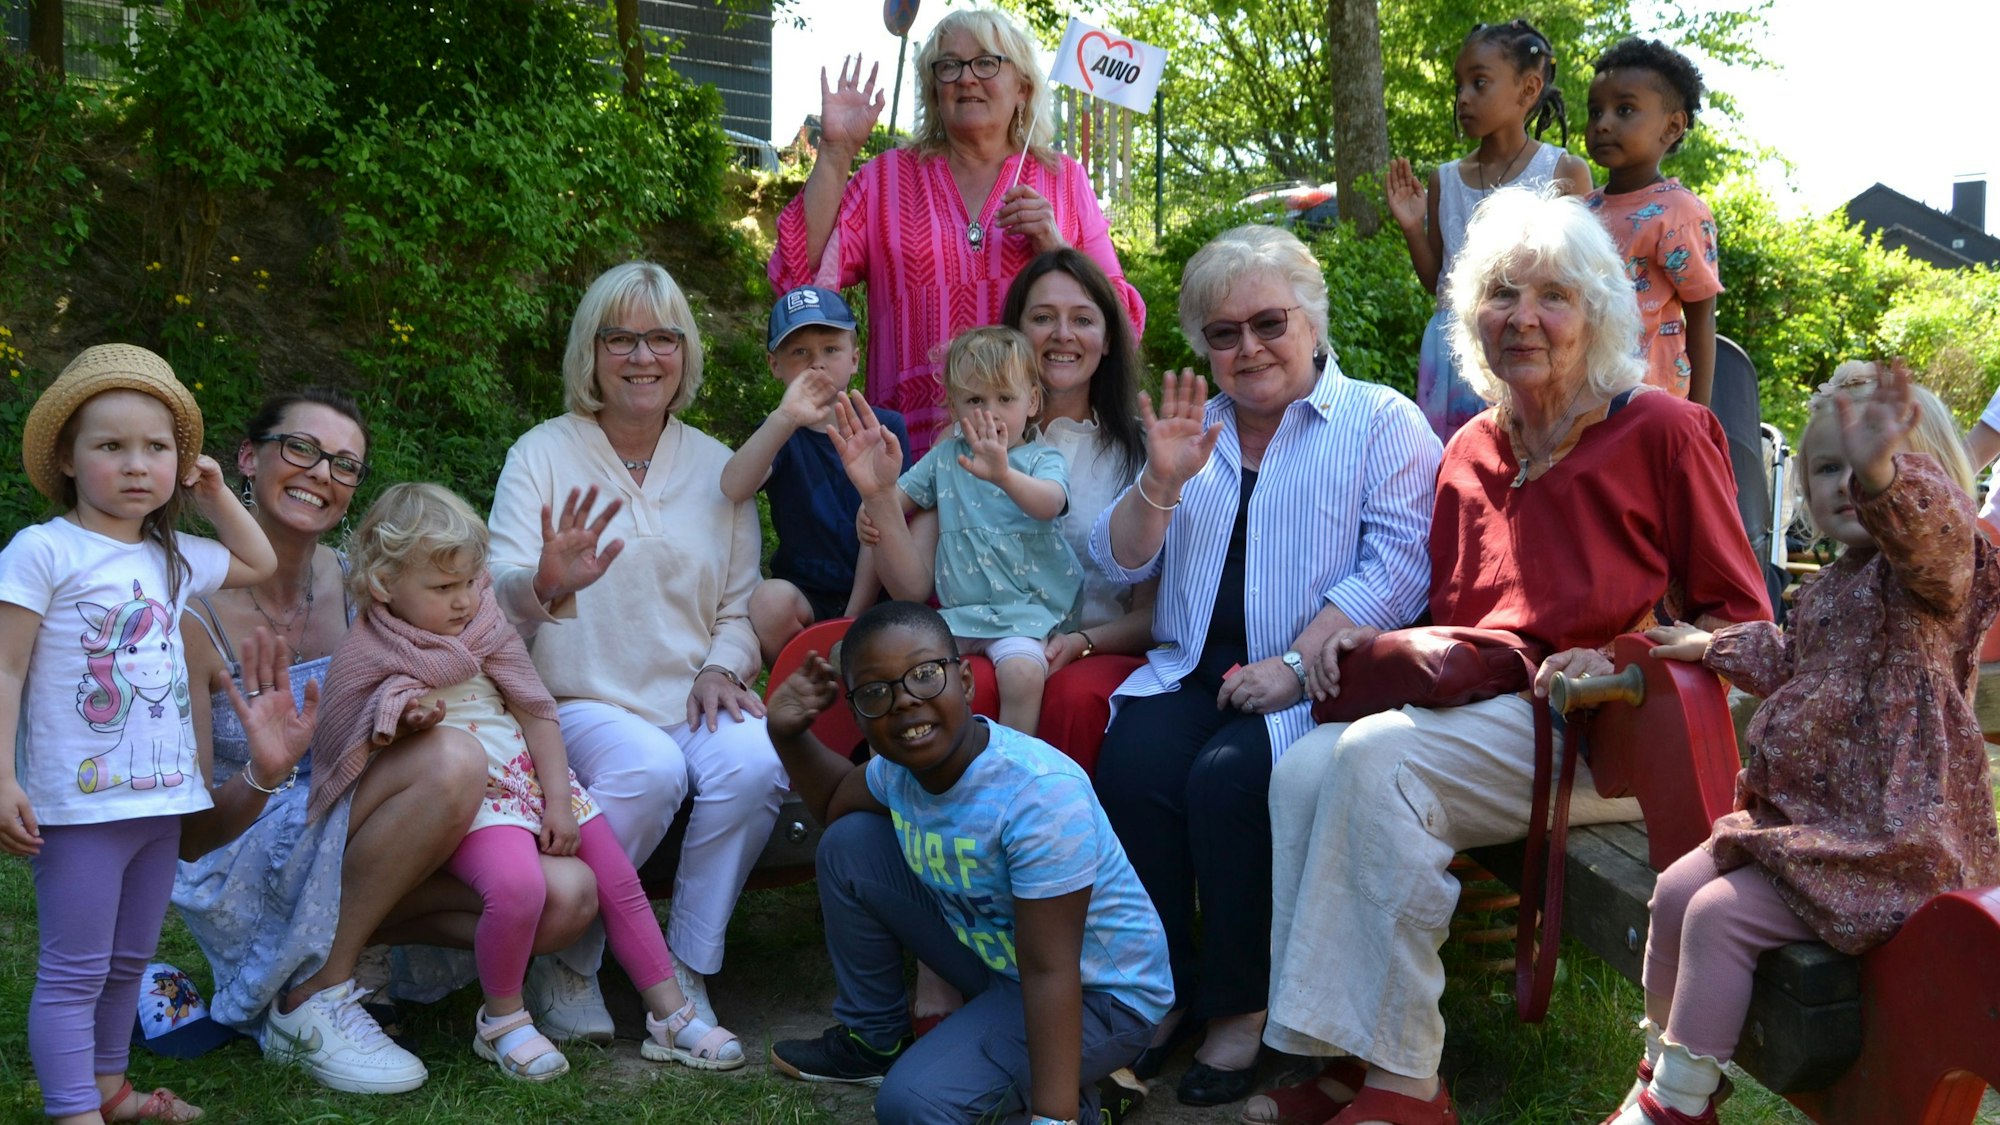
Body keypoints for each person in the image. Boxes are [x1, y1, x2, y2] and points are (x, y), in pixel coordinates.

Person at [1254, 189, 1771, 1125]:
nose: (1523, 318)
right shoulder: (1469, 450)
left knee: (1380, 761)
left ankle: (1406, 1085)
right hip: (1497, 721)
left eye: (1553, 297)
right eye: (1500, 294)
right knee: (1301, 769)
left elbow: (1743, 623)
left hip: (1615, 734)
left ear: (1600, 314)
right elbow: (1459, 623)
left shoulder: (1664, 430)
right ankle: (1334, 1053)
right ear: (1471, 319)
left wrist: (1618, 653)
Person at [1088, 225, 1442, 1107]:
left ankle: (1240, 1009)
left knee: (1229, 783)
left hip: (1315, 687)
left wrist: (1293, 660)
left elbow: (1401, 563)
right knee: (1133, 765)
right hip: (1190, 670)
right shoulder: (1187, 430)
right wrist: (1161, 483)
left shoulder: (1380, 420)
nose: (1247, 348)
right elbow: (1118, 564)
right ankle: (1162, 992)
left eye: (1268, 322)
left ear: (1313, 322)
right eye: (1222, 332)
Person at [172, 389, 610, 1095]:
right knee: (451, 760)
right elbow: (191, 839)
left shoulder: (359, 582)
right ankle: (312, 992)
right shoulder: (187, 612)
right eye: (301, 448)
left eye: (345, 464)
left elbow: (471, 611)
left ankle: (353, 950)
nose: (322, 472)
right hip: (249, 849)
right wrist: (262, 768)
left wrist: (543, 586)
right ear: (248, 458)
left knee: (568, 897)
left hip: (365, 828)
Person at [1605, 362, 2000, 1125]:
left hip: (1889, 841)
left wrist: (1885, 475)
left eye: (1873, 464)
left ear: (1928, 476)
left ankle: (1677, 1110)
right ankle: (1662, 1071)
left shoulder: (1936, 580)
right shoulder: (1829, 588)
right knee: (1677, 890)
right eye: (1829, 468)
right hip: (1811, 825)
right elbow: (1792, 657)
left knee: (1719, 914)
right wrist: (1711, 644)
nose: (1850, 483)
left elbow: (1935, 540)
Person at [314, 483, 743, 1082]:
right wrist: (403, 720)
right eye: (443, 588)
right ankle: (503, 1020)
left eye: (470, 581)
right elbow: (357, 733)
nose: (464, 601)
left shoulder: (485, 623)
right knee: (516, 888)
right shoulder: (370, 647)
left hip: (527, 773)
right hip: (471, 799)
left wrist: (561, 800)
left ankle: (670, 1015)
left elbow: (536, 706)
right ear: (385, 585)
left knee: (616, 878)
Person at [488, 259, 784, 1042]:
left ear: (685, 353)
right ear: (591, 351)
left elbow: (740, 602)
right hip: (574, 699)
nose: (642, 356)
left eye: (662, 338)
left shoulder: (721, 464)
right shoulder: (541, 452)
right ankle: (569, 955)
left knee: (755, 758)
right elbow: (494, 589)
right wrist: (543, 582)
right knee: (651, 770)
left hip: (686, 695)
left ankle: (685, 959)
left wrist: (724, 662)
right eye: (621, 338)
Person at [763, 601, 1172, 1124]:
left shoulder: (1039, 797)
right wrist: (789, 734)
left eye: (924, 676)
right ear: (858, 713)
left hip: (1101, 995)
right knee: (849, 845)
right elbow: (836, 804)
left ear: (965, 681)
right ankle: (873, 1039)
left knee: (914, 1106)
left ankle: (1078, 1102)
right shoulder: (898, 770)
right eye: (875, 692)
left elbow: (1051, 971)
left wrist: (1056, 1118)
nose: (905, 701)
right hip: (1003, 959)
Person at [0, 344, 275, 1124]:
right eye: (110, 445)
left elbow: (255, 559)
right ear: (67, 457)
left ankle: (110, 1088)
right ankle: (70, 1109)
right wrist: (1, 776)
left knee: (127, 962)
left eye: (157, 448)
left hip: (160, 802)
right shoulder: (42, 550)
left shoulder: (173, 555)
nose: (135, 465)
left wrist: (219, 492)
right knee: (74, 969)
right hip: (78, 809)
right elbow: (7, 670)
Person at [768, 7, 1144, 454]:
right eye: (949, 66)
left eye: (987, 62)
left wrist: (1055, 248)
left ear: (1023, 88)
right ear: (933, 90)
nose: (966, 78)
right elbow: (802, 277)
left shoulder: (1063, 179)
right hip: (907, 446)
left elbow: (1121, 320)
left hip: (1034, 451)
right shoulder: (885, 179)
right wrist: (835, 152)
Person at [839, 326, 1080, 736]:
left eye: (1005, 399)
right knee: (908, 666)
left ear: (1032, 401)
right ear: (952, 407)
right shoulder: (946, 456)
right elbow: (896, 498)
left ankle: (1012, 765)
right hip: (960, 615)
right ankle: (919, 763)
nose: (990, 413)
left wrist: (1003, 475)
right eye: (974, 400)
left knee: (1022, 675)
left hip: (1026, 615)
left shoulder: (1041, 458)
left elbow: (1051, 503)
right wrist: (873, 507)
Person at [1386, 18, 1594, 441]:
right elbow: (1440, 284)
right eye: (1458, 86)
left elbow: (1580, 283)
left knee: (1532, 452)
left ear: (1528, 89)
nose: (1463, 98)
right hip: (1453, 351)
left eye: (1479, 83)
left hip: (1529, 341)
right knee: (1458, 461)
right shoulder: (1444, 178)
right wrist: (1412, 226)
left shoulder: (1563, 171)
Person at [722, 285, 911, 664]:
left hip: (878, 594)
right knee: (768, 601)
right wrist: (785, 419)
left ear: (855, 358)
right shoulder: (778, 433)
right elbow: (733, 486)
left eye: (830, 349)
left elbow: (886, 523)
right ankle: (808, 681)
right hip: (805, 595)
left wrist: (850, 621)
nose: (816, 364)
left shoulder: (884, 428)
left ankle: (848, 658)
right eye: (799, 353)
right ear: (775, 365)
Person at [1584, 38, 1722, 404]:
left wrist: (1699, 417)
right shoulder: (1581, 211)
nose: (1603, 124)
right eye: (1595, 111)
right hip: (1583, 393)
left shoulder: (1680, 213)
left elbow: (1702, 316)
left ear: (1672, 126)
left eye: (1624, 110)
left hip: (1652, 399)